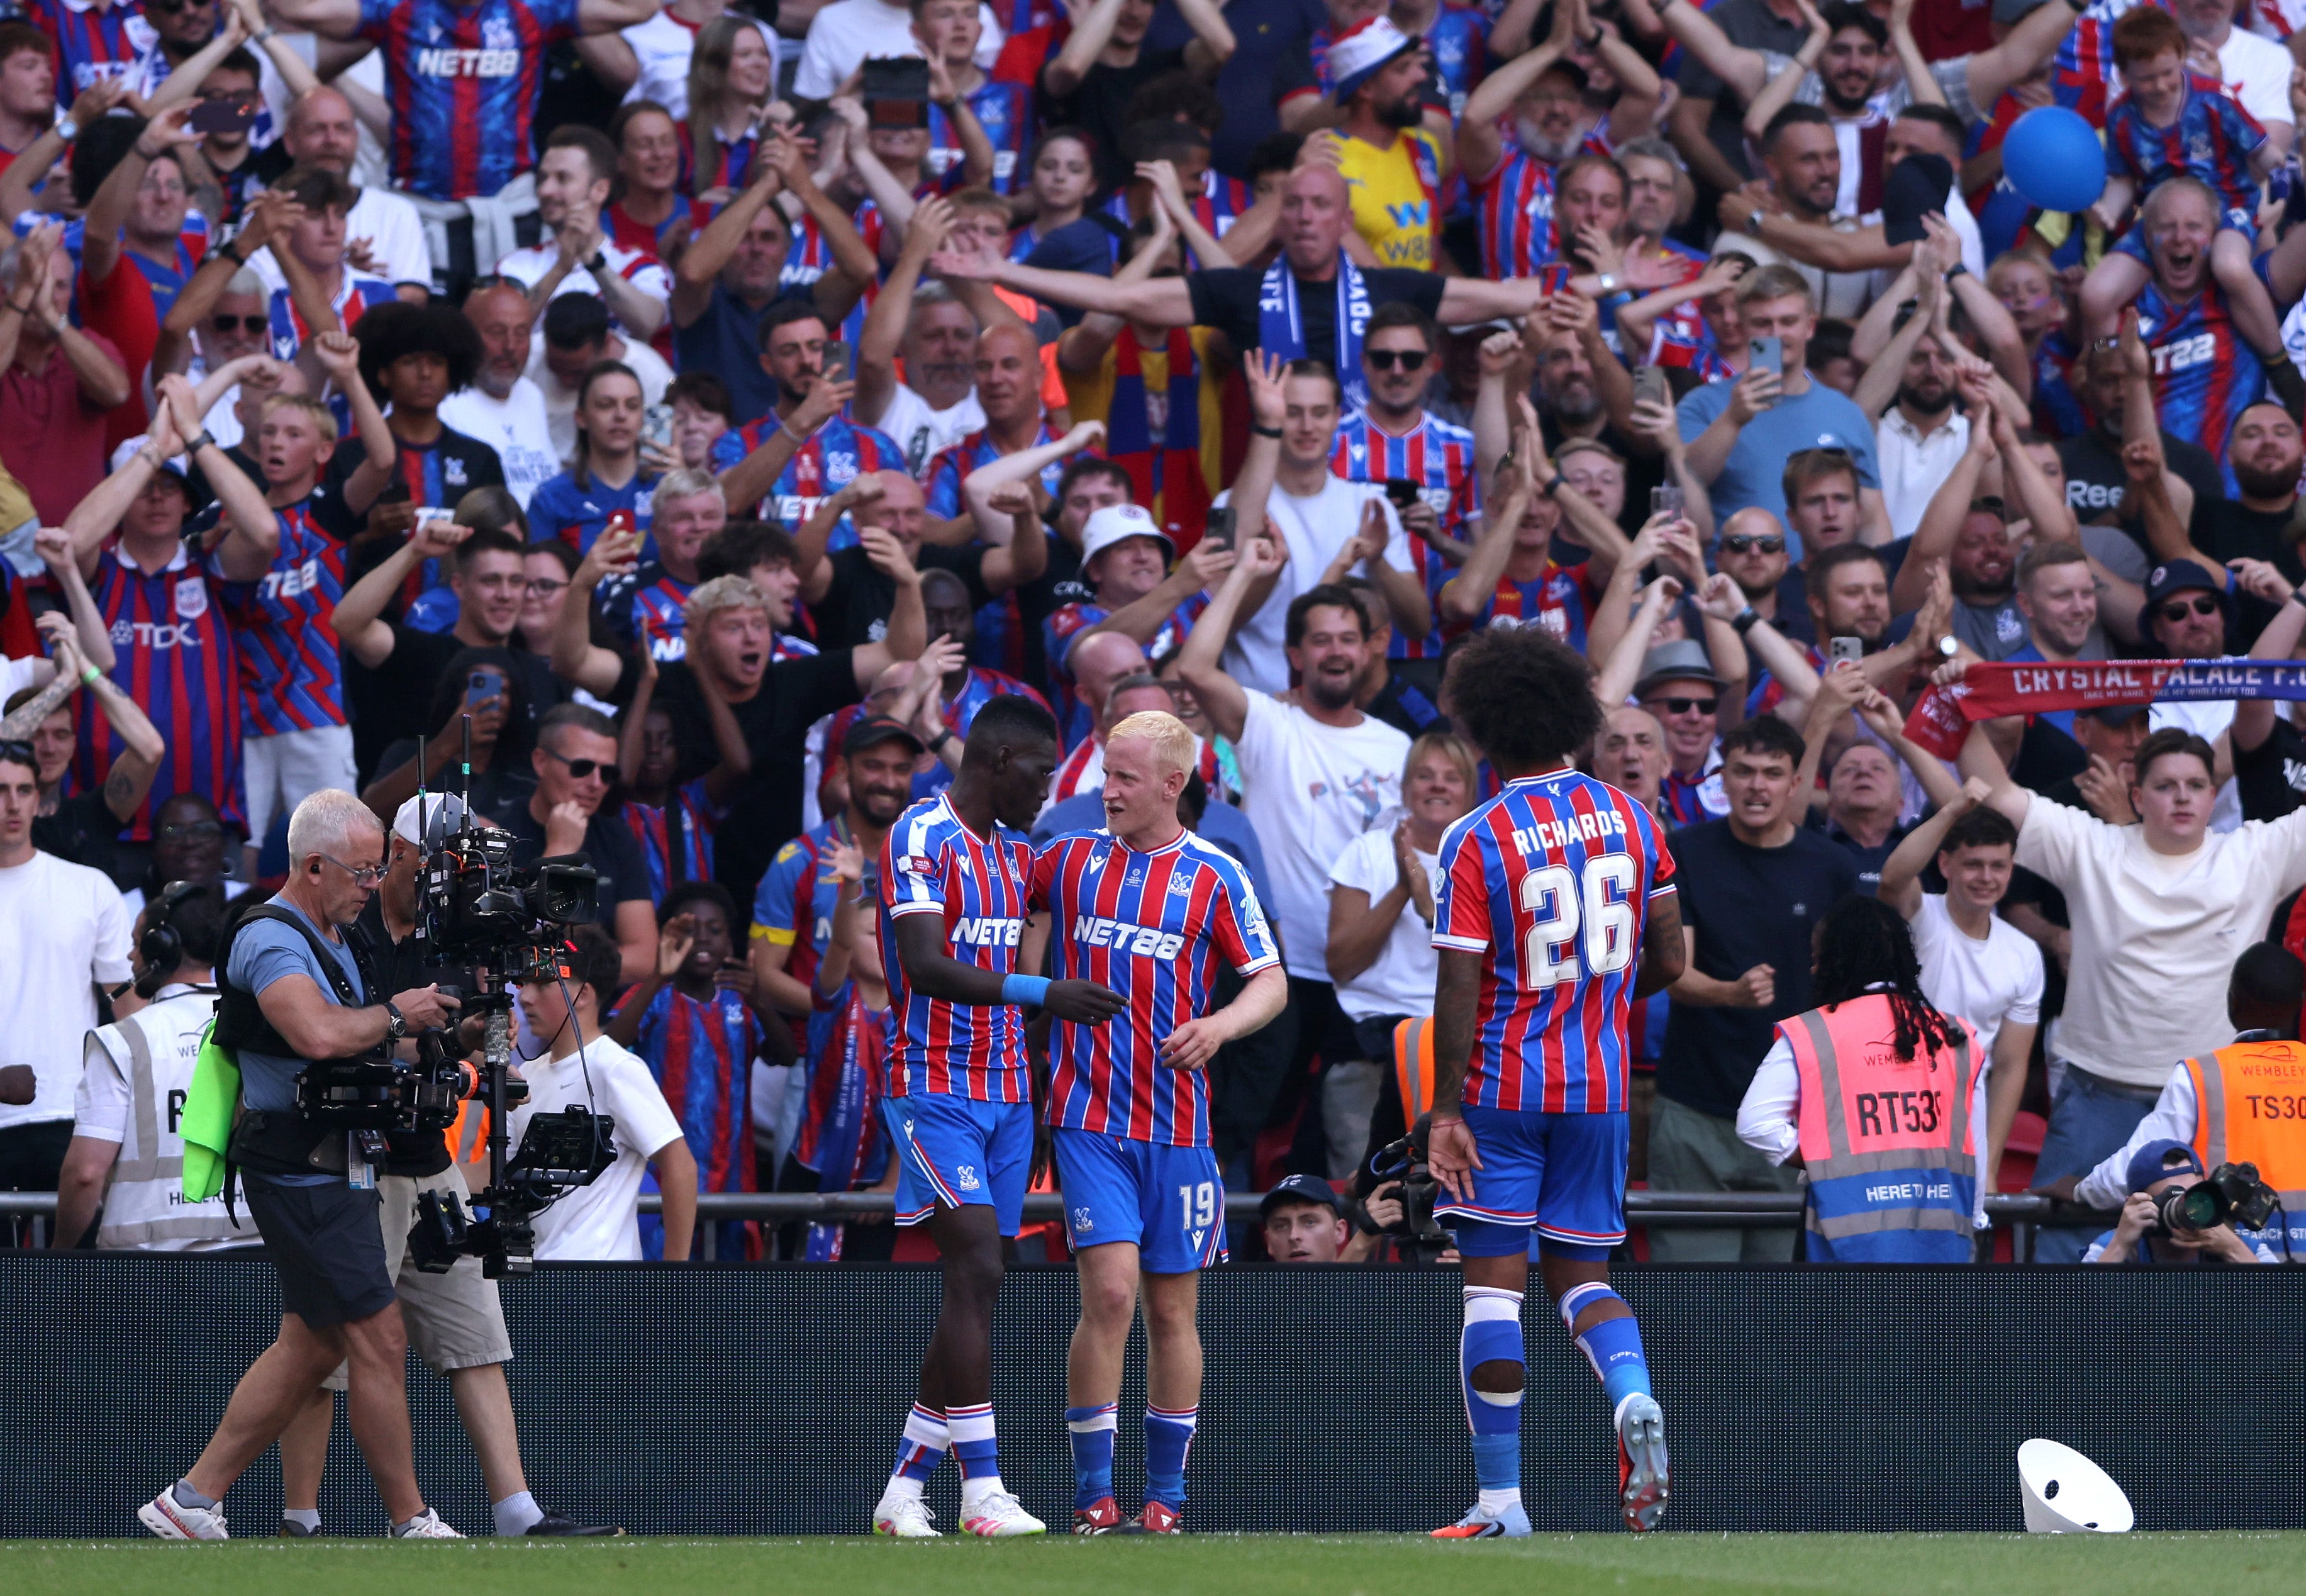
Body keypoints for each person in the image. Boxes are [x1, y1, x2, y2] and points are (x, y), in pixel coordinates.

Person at [139, 790, 462, 1541]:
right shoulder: (271, 939)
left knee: (313, 1340)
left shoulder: (336, 932)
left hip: (335, 1157)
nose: (373, 885)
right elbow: (318, 1033)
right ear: (314, 865)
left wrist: (444, 1032)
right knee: (377, 1337)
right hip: (301, 1162)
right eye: (362, 871)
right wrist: (394, 1015)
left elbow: (362, 1039)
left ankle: (190, 1499)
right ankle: (410, 1519)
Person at [1423, 623, 1683, 1539]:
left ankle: (1500, 1504)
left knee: (1491, 1291)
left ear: (1484, 727)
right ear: (1573, 715)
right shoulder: (1632, 818)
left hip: (1502, 1087)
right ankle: (1631, 1394)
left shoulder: (1475, 836)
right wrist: (1599, 999)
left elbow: (1458, 982)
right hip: (1600, 1089)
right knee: (1584, 1274)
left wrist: (1445, 1103)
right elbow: (1671, 957)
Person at [869, 695, 1125, 1539]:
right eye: (1041, 777)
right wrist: (1042, 990)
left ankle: (906, 1485)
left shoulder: (1020, 852)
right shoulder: (917, 836)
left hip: (1011, 1091)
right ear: (999, 762)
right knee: (977, 1267)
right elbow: (924, 965)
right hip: (931, 1086)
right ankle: (983, 1489)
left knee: (973, 1286)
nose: (1046, 795)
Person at [1037, 709, 1285, 1534]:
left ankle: (1166, 1501)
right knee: (1110, 1294)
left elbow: (1270, 980)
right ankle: (1091, 1496)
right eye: (1105, 774)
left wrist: (1218, 1026)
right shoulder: (1069, 859)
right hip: (1086, 1116)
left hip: (1178, 1127)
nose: (1106, 791)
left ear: (1173, 784)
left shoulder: (1215, 873)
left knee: (1173, 1312)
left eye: (1125, 778)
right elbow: (998, 902)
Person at [1963, 721, 2306, 1261]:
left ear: (2215, 796)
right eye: (2166, 785)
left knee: (2223, 1265)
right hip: (2098, 1097)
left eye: (2195, 784)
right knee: (2064, 1265)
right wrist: (1965, 702)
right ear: (2138, 796)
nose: (2183, 796)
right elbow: (1995, 791)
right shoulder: (2090, 845)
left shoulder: (2255, 852)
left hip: (2215, 1105)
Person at [1177, 551, 1411, 1167]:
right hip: (1271, 967)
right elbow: (1195, 666)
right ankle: (1226, 1257)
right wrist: (1244, 578)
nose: (1336, 651)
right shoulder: (1270, 723)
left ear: (1367, 651)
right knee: (1243, 1123)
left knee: (1351, 1143)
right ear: (1295, 654)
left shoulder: (1400, 747)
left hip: (1364, 975)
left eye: (1349, 638)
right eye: (1321, 639)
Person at [1655, 715, 1859, 1262]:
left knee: (1773, 1308)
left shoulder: (1832, 867)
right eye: (1743, 771)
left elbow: (1851, 989)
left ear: (1797, 783)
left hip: (1794, 1112)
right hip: (1695, 1106)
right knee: (1689, 1297)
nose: (1756, 785)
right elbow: (1674, 970)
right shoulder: (1686, 853)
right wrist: (1731, 994)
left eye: (1773, 773)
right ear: (1723, 779)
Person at [1734, 894, 1987, 1260]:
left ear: (1838, 962)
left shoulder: (1813, 1033)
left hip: (1842, 1247)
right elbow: (1973, 1145)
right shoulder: (1955, 1036)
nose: (1813, 970)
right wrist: (1974, 1220)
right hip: (1942, 1243)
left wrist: (1829, 1159)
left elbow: (1756, 1124)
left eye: (1817, 959)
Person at [2063, 942, 2306, 1261]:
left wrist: (2081, 1190)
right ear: (2300, 1004)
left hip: (2234, 1255)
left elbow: (2141, 1162)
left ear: (2232, 1002)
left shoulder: (2203, 1075)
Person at [53, 881, 248, 1251]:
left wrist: (60, 1251)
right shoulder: (259, 1029)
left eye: (137, 943)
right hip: (256, 1256)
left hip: (149, 1271)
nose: (131, 957)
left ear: (161, 949)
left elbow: (85, 1173)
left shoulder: (121, 1042)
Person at [1323, 731, 1479, 1181]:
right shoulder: (1368, 851)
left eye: (1452, 778)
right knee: (1366, 1184)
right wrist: (1403, 887)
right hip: (1369, 1046)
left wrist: (1432, 909)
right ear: (1406, 787)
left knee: (1450, 1189)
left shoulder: (1484, 857)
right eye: (1425, 775)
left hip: (1457, 1052)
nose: (1438, 786)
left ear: (1470, 792)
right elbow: (1341, 962)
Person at [0, 739, 135, 1216]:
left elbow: (128, 1010)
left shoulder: (88, 887)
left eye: (23, 789)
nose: (12, 803)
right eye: (0, 789)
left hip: (72, 1113)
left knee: (75, 1283)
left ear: (40, 798)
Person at [516, 924, 699, 1261]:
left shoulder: (616, 1067)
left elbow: (681, 1165)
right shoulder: (526, 1074)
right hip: (538, 1279)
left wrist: (676, 1280)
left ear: (582, 995)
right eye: (524, 983)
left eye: (542, 984)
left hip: (603, 1284)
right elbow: (498, 1167)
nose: (525, 996)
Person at [1675, 265, 1888, 549]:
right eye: (1762, 323)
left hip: (1823, 586)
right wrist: (1733, 419)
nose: (1776, 333)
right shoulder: (1701, 405)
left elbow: (1871, 517)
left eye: (1788, 321)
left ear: (1810, 327)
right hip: (1736, 584)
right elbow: (1687, 482)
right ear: (1742, 328)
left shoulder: (1846, 413)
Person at [494, 703, 657, 983]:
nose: (596, 784)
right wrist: (560, 851)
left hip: (593, 1012)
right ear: (541, 762)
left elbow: (643, 957)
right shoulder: (496, 833)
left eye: (607, 774)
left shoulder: (617, 839)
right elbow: (500, 954)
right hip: (517, 1014)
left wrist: (564, 968)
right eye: (582, 768)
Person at [437, 282, 561, 510]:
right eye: (497, 333)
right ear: (465, 335)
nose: (510, 346)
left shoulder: (531, 394)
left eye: (522, 334)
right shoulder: (442, 402)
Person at [2083, 1139, 2279, 1265]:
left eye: (2195, 1196)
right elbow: (2077, 1318)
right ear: (2135, 1205)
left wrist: (2233, 1250)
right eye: (2169, 1199)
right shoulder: (2115, 1246)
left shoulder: (2238, 1244)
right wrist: (2120, 1246)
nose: (2188, 1209)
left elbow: (2288, 1311)